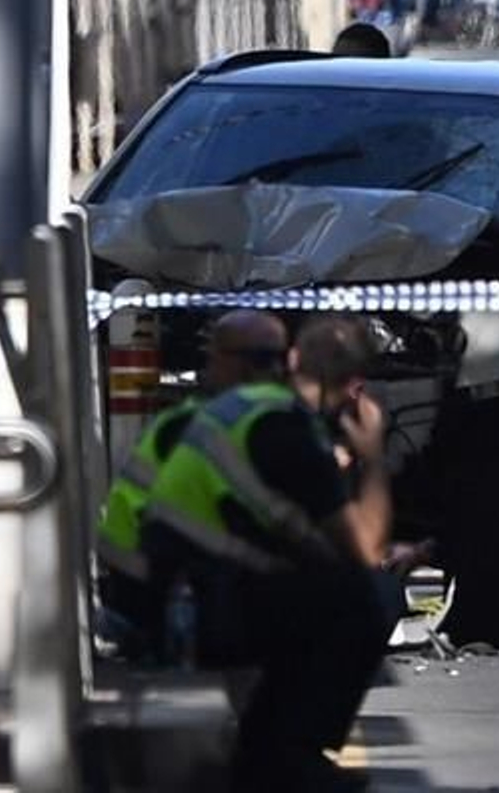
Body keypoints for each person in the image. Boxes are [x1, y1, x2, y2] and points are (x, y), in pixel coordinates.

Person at [169, 316, 399, 792]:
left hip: (164, 589)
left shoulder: (250, 410)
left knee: (313, 587)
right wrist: (374, 458)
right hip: (190, 609)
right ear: (357, 388)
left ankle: (265, 745)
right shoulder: (287, 429)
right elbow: (366, 550)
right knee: (373, 593)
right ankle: (289, 752)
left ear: (294, 359)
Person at [94, 311, 291, 657]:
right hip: (153, 578)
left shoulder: (200, 419)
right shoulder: (218, 425)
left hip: (137, 569)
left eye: (213, 356)